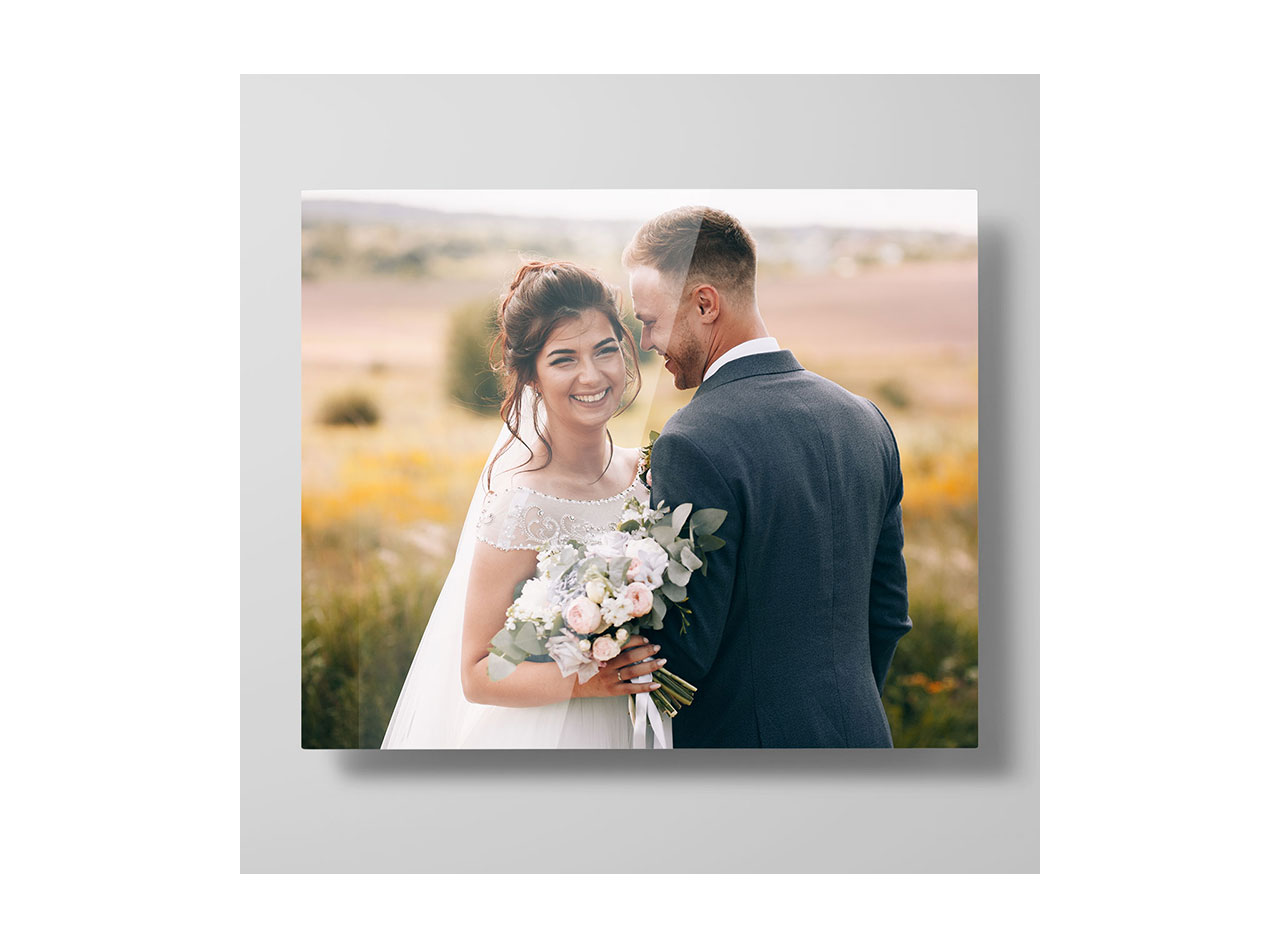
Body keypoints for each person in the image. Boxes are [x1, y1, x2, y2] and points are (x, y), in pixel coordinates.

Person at [623, 206, 912, 748]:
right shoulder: (866, 418)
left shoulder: (691, 442)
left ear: (705, 304)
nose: (646, 341)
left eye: (650, 320)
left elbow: (684, 655)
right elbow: (889, 615)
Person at [382, 261, 669, 749]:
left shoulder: (645, 472)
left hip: (640, 722)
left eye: (605, 350)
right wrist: (586, 681)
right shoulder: (522, 503)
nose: (592, 375)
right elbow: (476, 673)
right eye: (563, 359)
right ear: (531, 376)